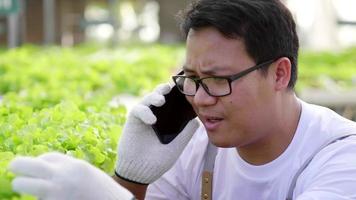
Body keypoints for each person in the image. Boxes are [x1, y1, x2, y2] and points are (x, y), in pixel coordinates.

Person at [9, 0, 356, 199]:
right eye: (191, 79)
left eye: (219, 79)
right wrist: (131, 178)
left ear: (280, 74)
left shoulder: (340, 156)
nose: (200, 99)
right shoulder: (196, 147)